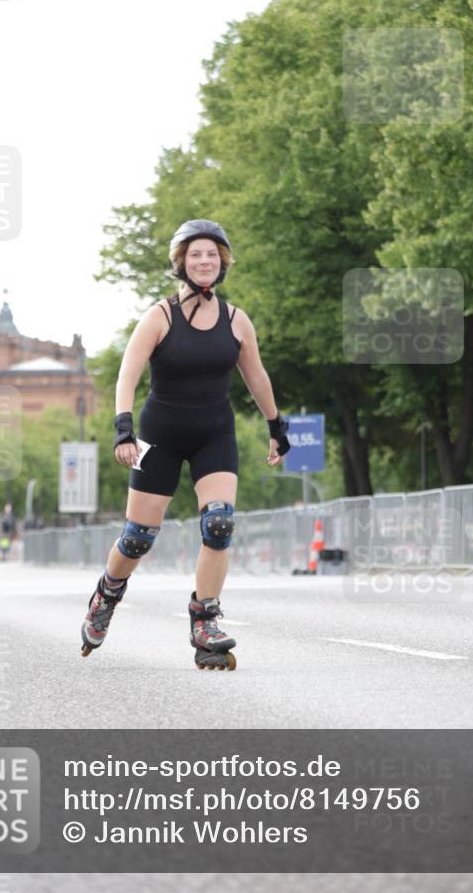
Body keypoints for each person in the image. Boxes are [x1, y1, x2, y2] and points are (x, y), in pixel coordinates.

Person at [80, 220, 291, 670]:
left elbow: (256, 378)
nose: (204, 261)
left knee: (219, 525)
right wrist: (124, 429)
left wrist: (278, 427)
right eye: (195, 255)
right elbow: (128, 374)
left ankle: (205, 619)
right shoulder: (160, 316)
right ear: (181, 263)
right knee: (137, 538)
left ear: (222, 262)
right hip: (160, 434)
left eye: (212, 255)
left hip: (214, 433)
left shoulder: (237, 322)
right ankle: (106, 595)